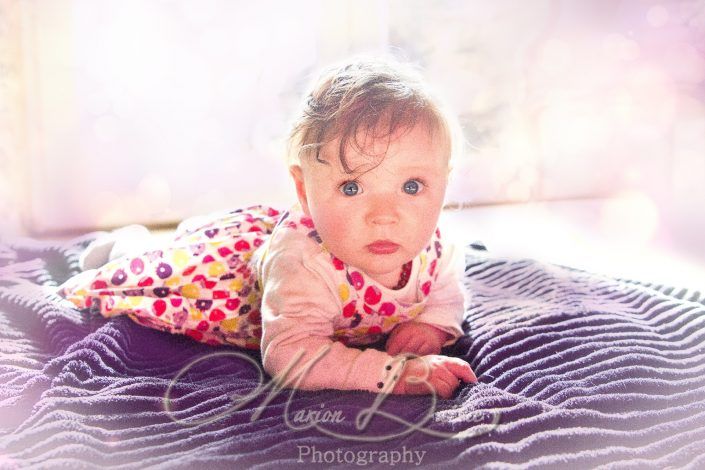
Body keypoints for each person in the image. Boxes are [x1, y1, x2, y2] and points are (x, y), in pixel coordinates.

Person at [59, 55, 477, 399]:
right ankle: (121, 247)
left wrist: (431, 324)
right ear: (303, 188)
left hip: (261, 243)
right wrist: (393, 374)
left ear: (443, 181)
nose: (385, 215)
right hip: (228, 283)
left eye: (411, 186)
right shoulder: (303, 262)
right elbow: (292, 355)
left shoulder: (437, 242)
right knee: (159, 270)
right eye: (351, 187)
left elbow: (447, 289)